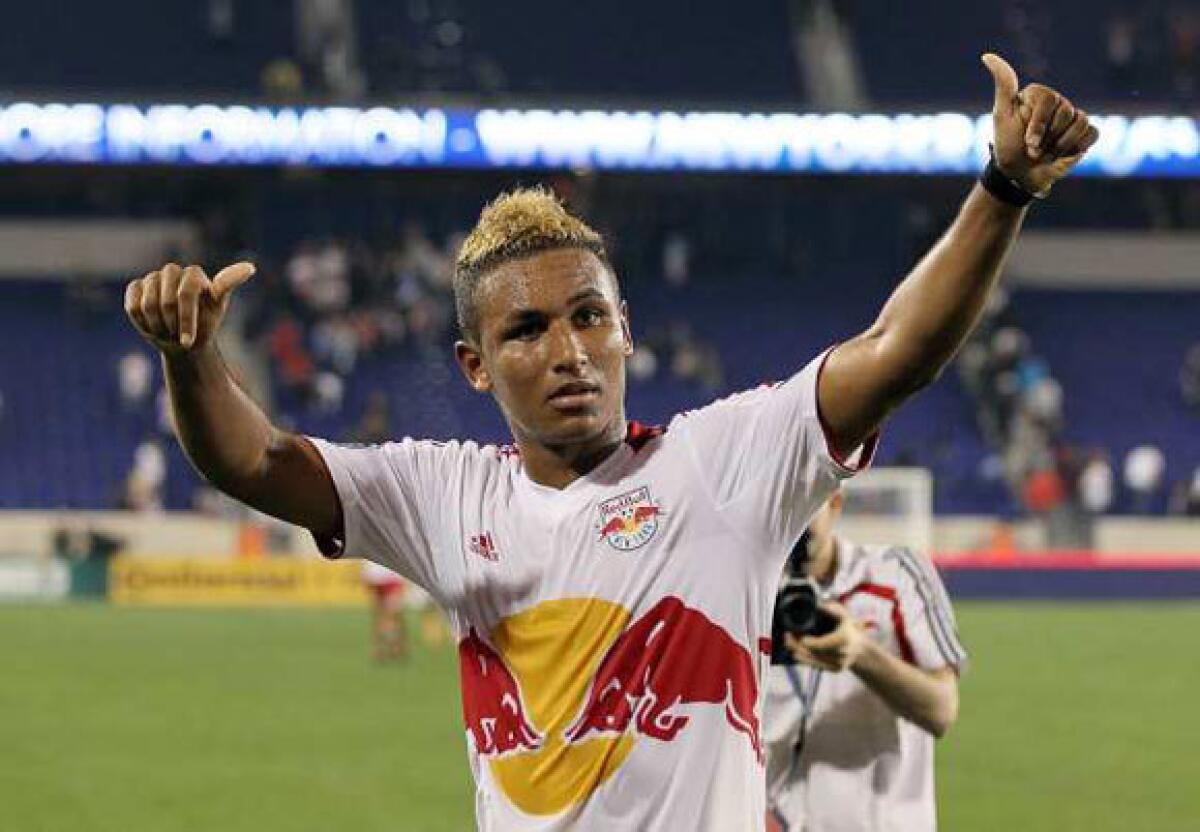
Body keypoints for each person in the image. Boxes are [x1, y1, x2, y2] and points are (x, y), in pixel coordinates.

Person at [122, 54, 1097, 831]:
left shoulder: (722, 466)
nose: (569, 351)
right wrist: (192, 358)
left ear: (627, 325)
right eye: (527, 330)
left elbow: (896, 353)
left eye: (590, 316)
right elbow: (251, 462)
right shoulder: (444, 495)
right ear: (474, 364)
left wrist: (1003, 186)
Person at [764, 491, 965, 832]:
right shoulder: (745, 590)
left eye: (807, 504)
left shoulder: (896, 575)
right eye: (784, 505)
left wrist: (860, 653)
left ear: (835, 503)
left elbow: (941, 710)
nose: (796, 521)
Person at [362, 559, 409, 662]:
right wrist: (366, 575)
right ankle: (381, 648)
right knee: (380, 616)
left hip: (392, 578)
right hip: (376, 579)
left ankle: (396, 646)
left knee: (392, 614)